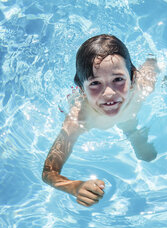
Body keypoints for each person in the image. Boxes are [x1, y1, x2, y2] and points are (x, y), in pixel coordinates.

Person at [42, 34, 160, 207]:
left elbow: (153, 62)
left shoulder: (144, 86)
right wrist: (75, 187)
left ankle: (131, 132)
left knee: (131, 125)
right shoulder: (79, 118)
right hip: (98, 116)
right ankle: (131, 131)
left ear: (133, 78)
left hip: (129, 111)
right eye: (95, 83)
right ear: (82, 89)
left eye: (118, 79)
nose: (109, 93)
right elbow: (49, 171)